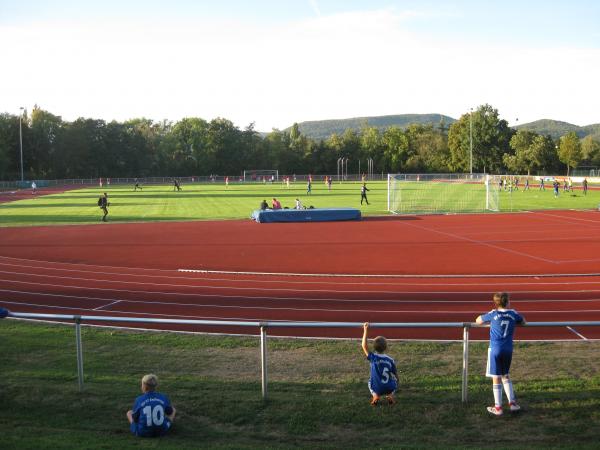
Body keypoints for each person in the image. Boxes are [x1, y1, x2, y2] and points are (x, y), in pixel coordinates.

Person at [476, 292, 526, 416]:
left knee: (496, 377)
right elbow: (524, 322)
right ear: (508, 302)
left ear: (496, 303)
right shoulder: (513, 313)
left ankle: (498, 407)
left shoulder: (493, 313)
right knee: (506, 375)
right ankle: (513, 403)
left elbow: (478, 321)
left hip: (495, 349)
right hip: (508, 349)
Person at [361, 322, 398, 406]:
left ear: (374, 347)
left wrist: (365, 329)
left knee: (369, 382)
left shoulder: (373, 358)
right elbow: (396, 375)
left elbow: (364, 346)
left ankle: (375, 395)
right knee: (395, 381)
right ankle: (390, 395)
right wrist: (397, 382)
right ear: (386, 347)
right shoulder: (390, 360)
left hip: (377, 388)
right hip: (389, 387)